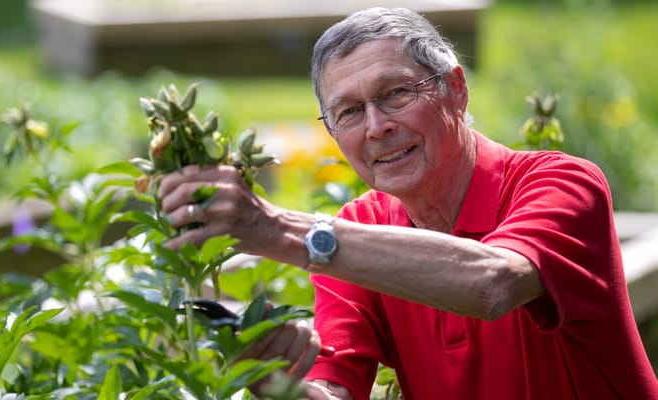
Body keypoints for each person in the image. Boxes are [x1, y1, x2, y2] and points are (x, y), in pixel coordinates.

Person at [156, 7, 658, 400]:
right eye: (349, 112)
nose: (376, 127)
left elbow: (493, 283)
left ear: (455, 90)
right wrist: (268, 377)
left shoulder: (562, 183)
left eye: (396, 93)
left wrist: (277, 228)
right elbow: (334, 392)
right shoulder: (360, 227)